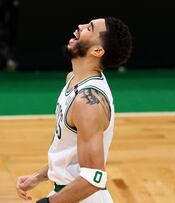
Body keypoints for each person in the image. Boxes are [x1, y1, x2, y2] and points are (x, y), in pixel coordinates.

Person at [15, 17, 132, 203]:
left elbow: (94, 178)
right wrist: (37, 177)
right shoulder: (73, 79)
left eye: (90, 28)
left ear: (97, 50)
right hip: (69, 193)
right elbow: (70, 154)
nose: (80, 26)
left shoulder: (88, 103)